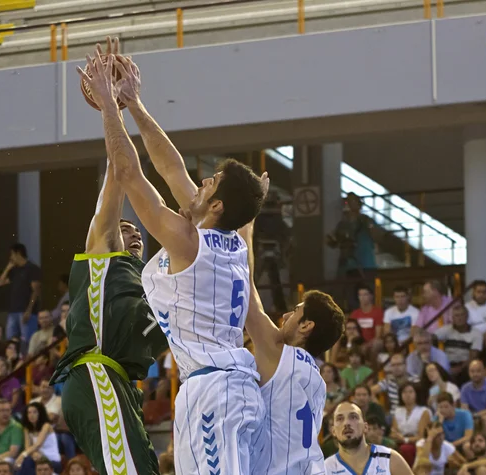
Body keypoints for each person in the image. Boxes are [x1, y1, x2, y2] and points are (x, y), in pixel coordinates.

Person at [81, 40, 266, 473]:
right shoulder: (229, 237)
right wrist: (135, 104)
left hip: (214, 390)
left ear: (216, 204)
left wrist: (110, 106)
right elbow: (171, 169)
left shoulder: (190, 240)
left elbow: (129, 173)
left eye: (212, 181)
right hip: (228, 386)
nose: (201, 181)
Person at [51, 36, 168, 475]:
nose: (131, 232)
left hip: (117, 384)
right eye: (124, 229)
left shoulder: (150, 286)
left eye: (136, 231)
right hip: (96, 374)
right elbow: (119, 177)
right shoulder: (104, 257)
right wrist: (112, 110)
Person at [240, 218, 346, 473]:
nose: (285, 316)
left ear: (306, 326)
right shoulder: (317, 380)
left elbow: (247, 293)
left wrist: (246, 221)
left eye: (295, 311)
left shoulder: (281, 357)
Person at [324, 401, 413, 474]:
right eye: (340, 419)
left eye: (353, 417)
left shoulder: (390, 459)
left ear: (365, 427)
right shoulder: (325, 469)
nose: (346, 423)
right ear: (333, 431)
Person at [0, 243, 42, 354]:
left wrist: (29, 310)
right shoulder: (14, 270)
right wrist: (7, 268)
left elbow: (36, 291)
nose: (10, 258)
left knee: (26, 341)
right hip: (13, 310)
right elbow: (0, 282)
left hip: (26, 311)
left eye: (12, 254)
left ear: (18, 253)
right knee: (10, 341)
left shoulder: (32, 268)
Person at [15, 402, 61, 475]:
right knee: (26, 462)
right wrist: (33, 454)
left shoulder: (46, 426)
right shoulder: (27, 428)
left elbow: (38, 444)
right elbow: (27, 447)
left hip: (51, 461)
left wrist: (22, 455)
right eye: (29, 412)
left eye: (34, 412)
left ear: (40, 414)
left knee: (26, 461)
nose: (31, 415)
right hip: (36, 459)